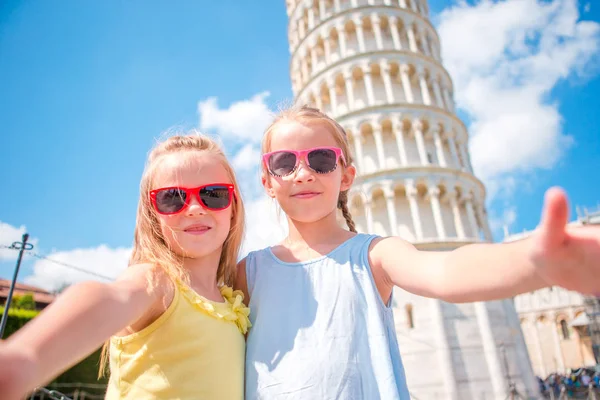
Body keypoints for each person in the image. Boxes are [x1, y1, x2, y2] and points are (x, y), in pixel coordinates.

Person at [235, 105, 600, 399]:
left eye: (321, 160)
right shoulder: (248, 273)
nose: (302, 172)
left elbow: (445, 271)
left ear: (346, 176)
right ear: (267, 181)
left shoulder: (374, 255)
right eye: (284, 162)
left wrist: (534, 262)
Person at [0, 133, 250, 400]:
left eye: (213, 194)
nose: (194, 208)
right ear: (153, 215)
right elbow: (109, 298)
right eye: (172, 198)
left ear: (233, 207)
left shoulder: (232, 299)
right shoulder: (157, 282)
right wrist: (23, 359)